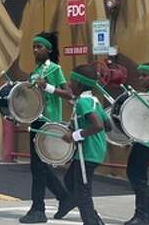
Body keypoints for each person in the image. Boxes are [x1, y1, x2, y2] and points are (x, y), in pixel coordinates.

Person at [20, 32, 72, 224]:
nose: (35, 49)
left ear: (49, 49)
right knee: (38, 167)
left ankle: (38, 209)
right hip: (36, 120)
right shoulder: (36, 70)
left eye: (39, 46)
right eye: (33, 46)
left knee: (39, 167)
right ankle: (64, 198)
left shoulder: (54, 69)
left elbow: (68, 94)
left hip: (48, 121)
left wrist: (48, 87)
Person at [54, 64, 108, 225]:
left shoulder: (84, 102)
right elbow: (108, 124)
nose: (69, 84)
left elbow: (97, 125)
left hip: (88, 154)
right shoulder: (94, 100)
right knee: (70, 180)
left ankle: (92, 221)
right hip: (93, 151)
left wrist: (75, 135)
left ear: (80, 84)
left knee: (83, 192)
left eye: (72, 81)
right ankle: (80, 207)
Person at [124, 63, 149, 225]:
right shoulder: (147, 94)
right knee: (135, 175)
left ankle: (142, 215)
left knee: (137, 176)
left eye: (145, 75)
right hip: (142, 139)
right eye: (139, 75)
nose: (140, 78)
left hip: (146, 141)